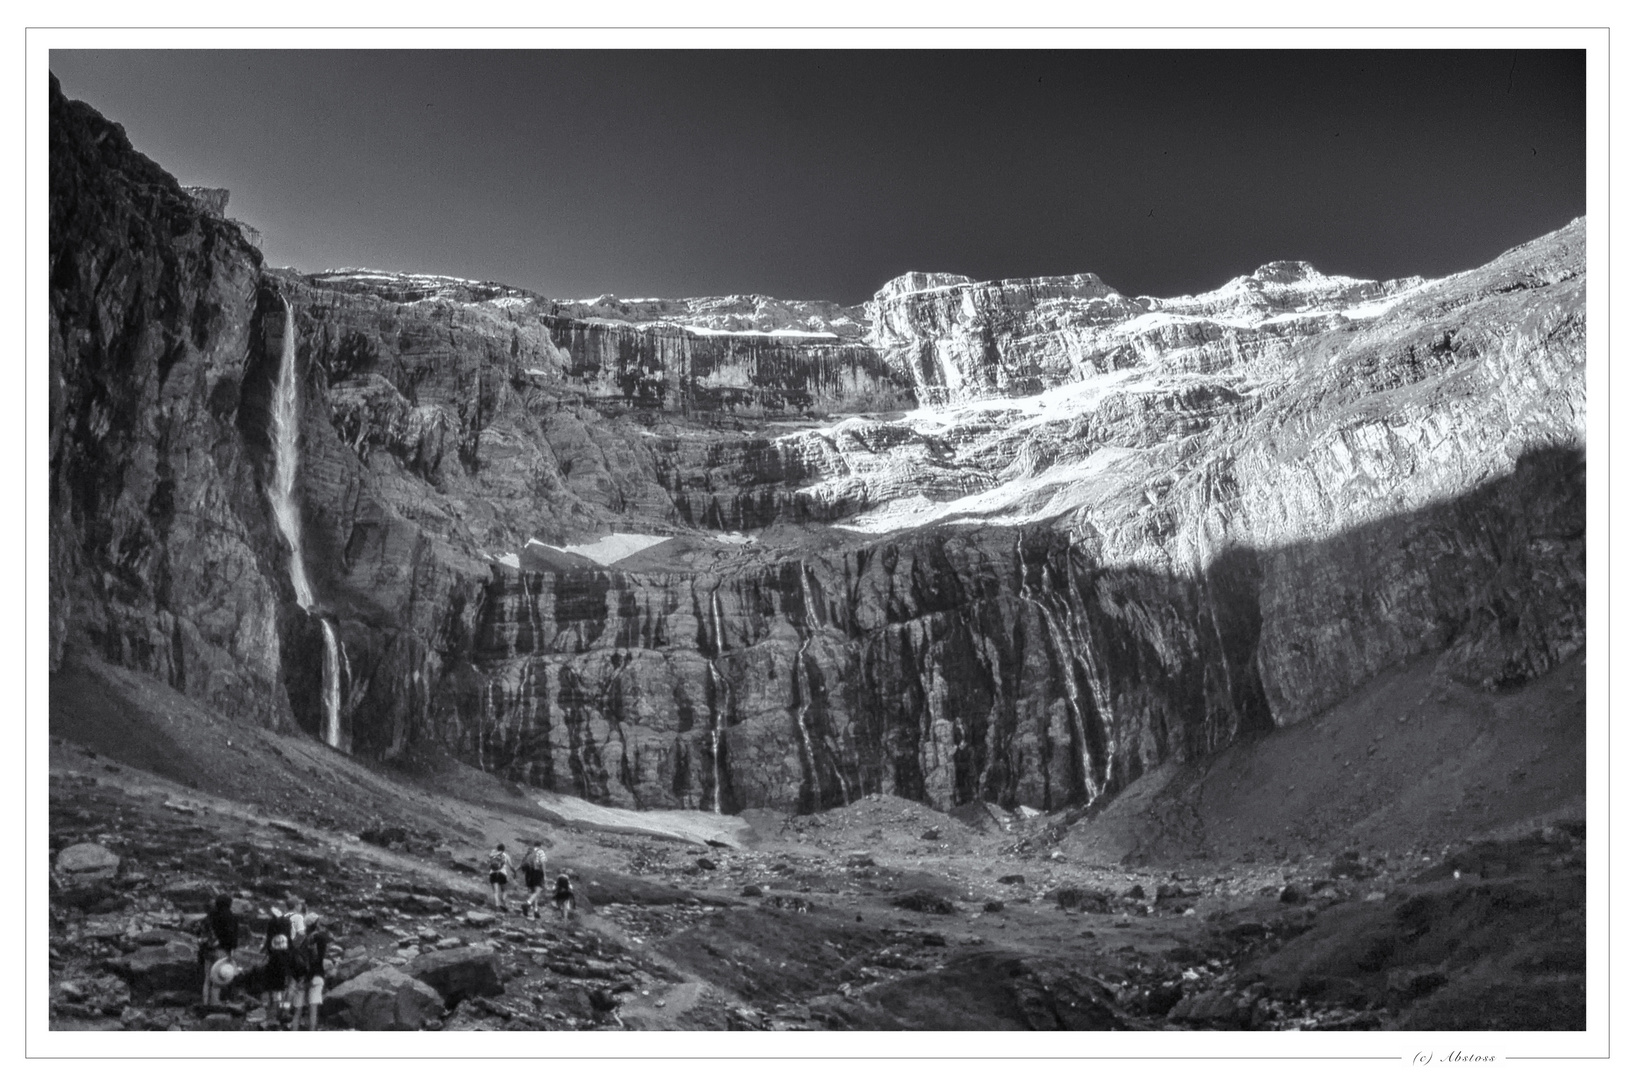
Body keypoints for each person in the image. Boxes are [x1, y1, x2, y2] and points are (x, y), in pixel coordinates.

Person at [287, 912, 332, 1032]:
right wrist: (310, 978)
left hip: (300, 978)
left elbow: (292, 959)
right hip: (315, 977)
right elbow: (318, 960)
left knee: (297, 1012)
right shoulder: (321, 938)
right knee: (313, 1010)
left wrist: (300, 979)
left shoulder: (299, 939)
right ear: (316, 923)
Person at [198, 894, 240, 1006]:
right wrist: (231, 951)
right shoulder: (231, 917)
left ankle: (205, 1002)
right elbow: (232, 936)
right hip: (222, 950)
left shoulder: (210, 916)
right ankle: (214, 1004)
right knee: (218, 978)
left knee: (207, 978)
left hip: (208, 949)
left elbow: (201, 932)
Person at [262, 906, 296, 1029]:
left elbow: (268, 946)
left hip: (273, 964)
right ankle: (282, 1015)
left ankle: (272, 1017)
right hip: (285, 964)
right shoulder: (287, 940)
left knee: (273, 992)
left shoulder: (272, 940)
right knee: (284, 990)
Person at [520, 842, 548, 920]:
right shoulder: (540, 851)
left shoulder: (530, 853)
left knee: (534, 892)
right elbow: (543, 863)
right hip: (537, 872)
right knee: (538, 890)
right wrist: (545, 875)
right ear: (540, 845)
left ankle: (536, 910)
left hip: (528, 874)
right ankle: (528, 903)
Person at [487, 843, 515, 910]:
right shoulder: (506, 855)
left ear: (497, 848)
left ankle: (497, 906)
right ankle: (503, 899)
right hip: (502, 874)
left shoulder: (493, 855)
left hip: (492, 873)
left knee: (496, 891)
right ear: (504, 849)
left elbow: (489, 861)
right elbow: (511, 866)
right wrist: (514, 872)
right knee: (505, 890)